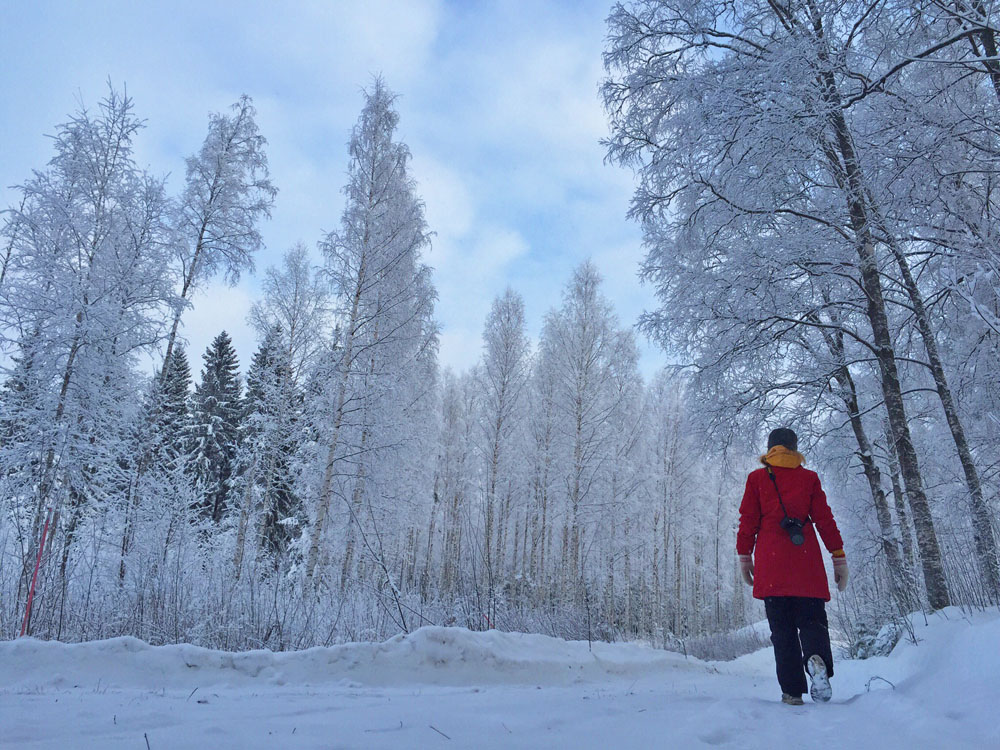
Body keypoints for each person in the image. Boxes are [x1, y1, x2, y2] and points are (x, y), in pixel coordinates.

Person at [736, 427, 848, 705]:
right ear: (794, 448)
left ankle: (792, 692)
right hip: (805, 563)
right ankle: (816, 658)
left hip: (772, 566)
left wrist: (744, 556)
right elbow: (824, 519)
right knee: (812, 623)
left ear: (770, 448)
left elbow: (748, 519)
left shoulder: (757, 478)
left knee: (782, 631)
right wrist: (838, 555)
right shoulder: (808, 478)